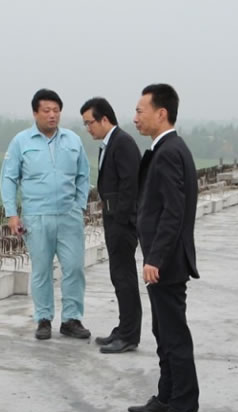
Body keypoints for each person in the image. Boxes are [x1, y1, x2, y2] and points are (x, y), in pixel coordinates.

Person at [128, 84, 200, 412]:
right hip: (162, 260)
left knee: (174, 336)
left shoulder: (170, 152)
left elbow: (174, 212)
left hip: (167, 263)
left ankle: (181, 409)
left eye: (140, 110)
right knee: (163, 332)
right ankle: (166, 396)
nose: (135, 117)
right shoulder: (165, 148)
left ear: (161, 113)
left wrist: (154, 257)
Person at [0, 88, 91, 341]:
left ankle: (71, 318)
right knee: (41, 270)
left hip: (68, 215)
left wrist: (79, 205)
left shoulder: (73, 140)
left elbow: (83, 175)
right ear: (35, 113)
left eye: (56, 110)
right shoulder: (21, 142)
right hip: (36, 217)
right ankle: (43, 318)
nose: (52, 115)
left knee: (74, 268)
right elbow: (9, 178)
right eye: (47, 110)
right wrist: (11, 214)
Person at [80, 97, 143, 354]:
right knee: (118, 276)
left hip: (121, 222)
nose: (88, 128)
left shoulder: (123, 143)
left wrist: (120, 222)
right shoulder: (109, 143)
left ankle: (129, 335)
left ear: (104, 119)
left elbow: (130, 185)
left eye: (90, 123)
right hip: (112, 218)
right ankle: (124, 327)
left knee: (124, 277)